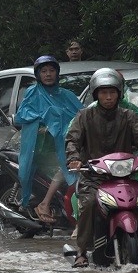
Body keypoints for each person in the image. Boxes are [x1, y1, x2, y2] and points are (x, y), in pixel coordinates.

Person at [66, 68, 138, 268]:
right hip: (94, 177)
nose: (108, 97)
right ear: (96, 94)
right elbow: (72, 140)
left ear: (119, 93)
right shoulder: (85, 116)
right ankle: (82, 251)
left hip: (124, 177)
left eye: (112, 92)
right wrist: (74, 159)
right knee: (90, 203)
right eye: (103, 93)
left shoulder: (129, 116)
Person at [15, 55, 84, 222]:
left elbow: (83, 114)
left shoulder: (66, 94)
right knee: (65, 167)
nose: (48, 74)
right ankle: (44, 204)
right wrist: (44, 121)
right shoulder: (33, 92)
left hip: (68, 143)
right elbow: (21, 116)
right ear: (38, 75)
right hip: (42, 146)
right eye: (44, 71)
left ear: (57, 73)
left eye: (51, 70)